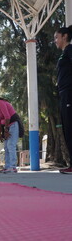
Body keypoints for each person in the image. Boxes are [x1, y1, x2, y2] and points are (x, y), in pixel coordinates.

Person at [54, 26, 72, 174]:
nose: (55, 41)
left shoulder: (70, 50)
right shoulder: (64, 54)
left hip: (69, 93)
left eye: (56, 37)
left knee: (70, 128)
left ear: (65, 36)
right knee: (67, 128)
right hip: (64, 94)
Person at [0, 97, 23, 173]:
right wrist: (0, 134)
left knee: (11, 145)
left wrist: (6, 130)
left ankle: (13, 166)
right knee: (6, 147)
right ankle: (7, 166)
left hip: (13, 124)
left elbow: (7, 116)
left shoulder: (0, 102)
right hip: (6, 127)